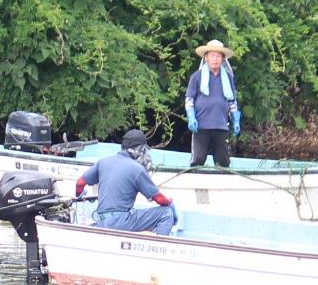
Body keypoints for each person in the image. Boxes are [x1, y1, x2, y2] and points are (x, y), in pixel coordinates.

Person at [75, 128, 177, 235]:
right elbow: (159, 198)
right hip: (121, 222)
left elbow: (80, 183)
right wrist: (170, 203)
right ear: (139, 150)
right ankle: (158, 248)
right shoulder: (137, 169)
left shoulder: (103, 162)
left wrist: (79, 195)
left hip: (102, 221)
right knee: (166, 213)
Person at [185, 39, 241, 168]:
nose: (215, 59)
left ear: (223, 59)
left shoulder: (228, 77)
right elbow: (189, 100)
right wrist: (191, 117)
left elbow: (232, 101)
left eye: (218, 56)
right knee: (198, 159)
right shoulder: (197, 76)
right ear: (206, 57)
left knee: (223, 161)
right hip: (201, 126)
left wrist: (235, 120)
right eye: (212, 56)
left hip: (221, 126)